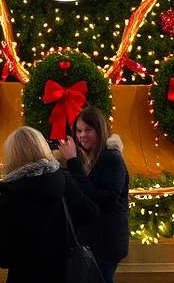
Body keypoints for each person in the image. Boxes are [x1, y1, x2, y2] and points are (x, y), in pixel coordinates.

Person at [0, 125, 97, 282]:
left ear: (12, 155)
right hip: (63, 272)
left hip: (26, 275)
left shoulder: (11, 194)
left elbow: (3, 257)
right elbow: (90, 213)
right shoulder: (64, 179)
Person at [58, 105, 130, 282]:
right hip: (96, 240)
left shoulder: (111, 159)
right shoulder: (91, 158)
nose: (82, 135)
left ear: (100, 131)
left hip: (107, 242)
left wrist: (73, 162)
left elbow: (104, 200)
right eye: (79, 130)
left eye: (88, 130)